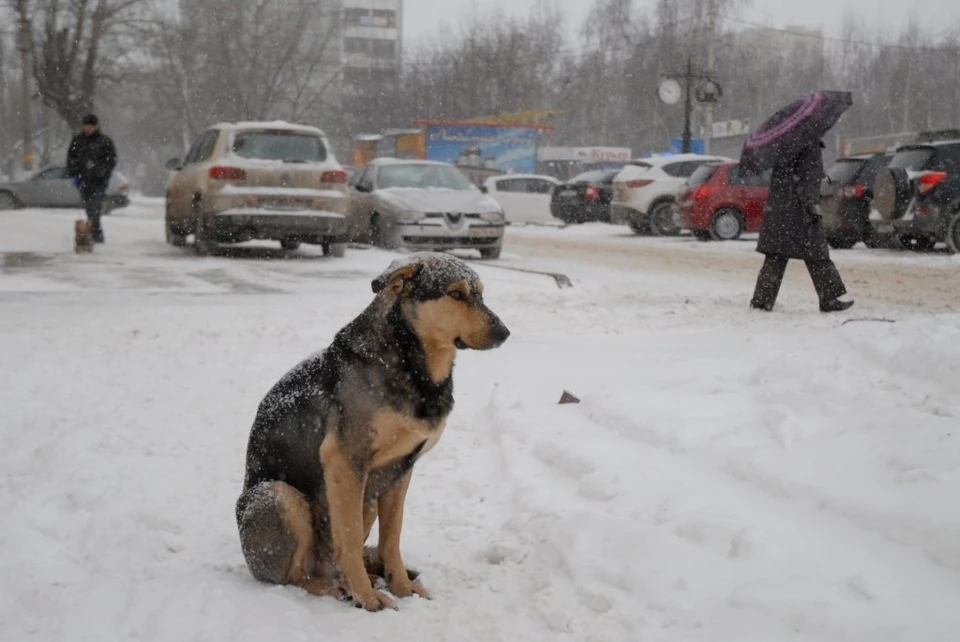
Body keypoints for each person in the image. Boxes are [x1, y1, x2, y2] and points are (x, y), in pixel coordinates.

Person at [750, 140, 854, 313]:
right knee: (818, 255)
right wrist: (812, 206)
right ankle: (829, 298)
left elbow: (784, 180)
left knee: (776, 256)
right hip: (800, 214)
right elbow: (809, 182)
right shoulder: (810, 147)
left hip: (779, 211)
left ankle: (762, 301)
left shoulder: (783, 146)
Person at [67, 114, 117, 244]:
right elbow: (71, 159)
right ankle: (92, 234)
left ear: (95, 126)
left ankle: (96, 235)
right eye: (86, 126)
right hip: (83, 181)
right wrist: (75, 174)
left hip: (99, 182)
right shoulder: (77, 141)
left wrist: (102, 171)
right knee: (89, 209)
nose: (88, 129)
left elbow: (111, 160)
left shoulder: (104, 142)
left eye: (91, 126)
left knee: (95, 208)